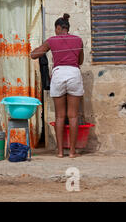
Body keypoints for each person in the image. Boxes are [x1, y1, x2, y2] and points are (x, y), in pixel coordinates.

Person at [30, 13, 84, 158]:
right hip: (74, 74)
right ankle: (72, 152)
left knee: (60, 116)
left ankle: (60, 152)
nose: (55, 32)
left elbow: (34, 55)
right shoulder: (78, 40)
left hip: (59, 75)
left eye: (56, 29)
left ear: (59, 28)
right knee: (73, 116)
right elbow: (80, 61)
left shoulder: (52, 40)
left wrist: (39, 49)